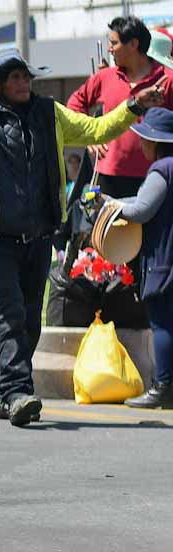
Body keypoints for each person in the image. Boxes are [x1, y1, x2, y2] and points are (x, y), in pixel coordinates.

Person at [0, 48, 160, 427]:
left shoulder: (51, 113)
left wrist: (133, 106)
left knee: (31, 321)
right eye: (15, 77)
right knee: (11, 314)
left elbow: (97, 130)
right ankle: (18, 393)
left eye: (27, 77)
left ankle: (0, 391)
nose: (24, 83)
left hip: (40, 234)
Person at [102, 107, 173, 407]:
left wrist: (110, 208)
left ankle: (163, 388)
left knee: (163, 323)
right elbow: (146, 201)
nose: (141, 144)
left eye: (144, 139)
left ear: (155, 141)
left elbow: (142, 210)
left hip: (165, 260)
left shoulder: (162, 169)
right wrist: (115, 201)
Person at [66, 16, 171, 200]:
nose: (109, 49)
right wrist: (89, 138)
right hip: (107, 176)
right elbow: (75, 104)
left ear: (133, 44)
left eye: (114, 43)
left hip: (154, 176)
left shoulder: (167, 80)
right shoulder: (104, 77)